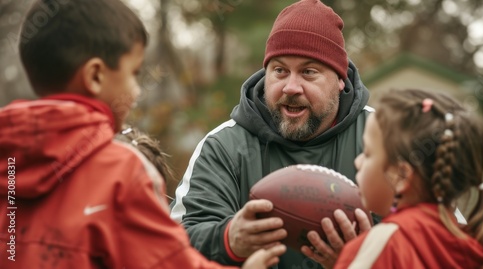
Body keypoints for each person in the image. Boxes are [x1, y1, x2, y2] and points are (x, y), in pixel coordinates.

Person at [0, 0, 286, 268]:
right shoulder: (120, 173)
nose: (137, 91)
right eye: (134, 73)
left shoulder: (8, 162)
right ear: (96, 76)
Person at [170, 0, 372, 267]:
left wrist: (367, 257)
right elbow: (174, 245)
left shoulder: (383, 137)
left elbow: (430, 238)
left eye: (308, 72)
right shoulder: (223, 146)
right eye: (279, 70)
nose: (291, 87)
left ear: (340, 79)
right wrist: (228, 240)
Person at [333, 88, 483, 268]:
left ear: (401, 175)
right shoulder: (471, 246)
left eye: (367, 153)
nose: (358, 162)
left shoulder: (381, 245)